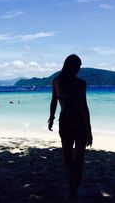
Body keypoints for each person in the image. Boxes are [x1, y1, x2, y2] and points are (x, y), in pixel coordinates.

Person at [48, 54, 93, 198]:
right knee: (78, 158)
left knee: (67, 156)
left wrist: (51, 117)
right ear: (75, 67)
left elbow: (54, 101)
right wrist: (89, 130)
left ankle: (70, 185)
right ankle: (74, 187)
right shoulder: (80, 83)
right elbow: (84, 108)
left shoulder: (56, 81)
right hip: (79, 122)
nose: (79, 69)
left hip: (65, 121)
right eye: (79, 67)